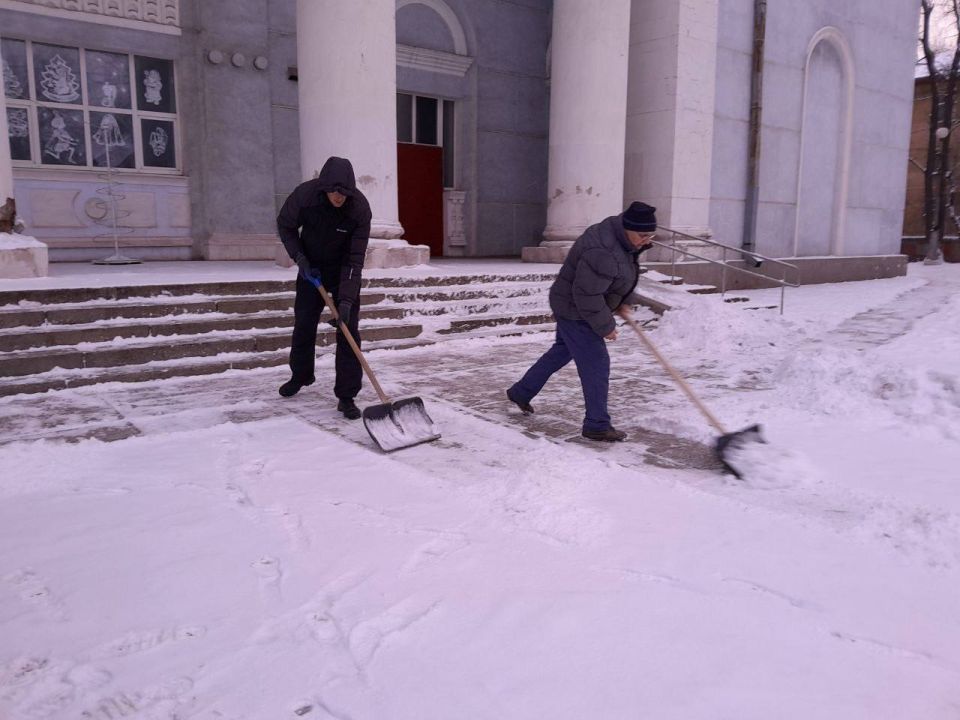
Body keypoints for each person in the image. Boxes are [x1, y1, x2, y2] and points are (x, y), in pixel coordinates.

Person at [506, 201, 658, 441]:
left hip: (575, 302)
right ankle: (597, 424)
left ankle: (521, 392)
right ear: (628, 227)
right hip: (576, 308)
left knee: (561, 352)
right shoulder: (604, 250)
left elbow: (620, 275)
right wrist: (606, 326)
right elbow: (587, 294)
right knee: (596, 364)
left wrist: (622, 300)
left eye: (651, 234)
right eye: (643, 235)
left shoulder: (623, 239)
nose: (647, 240)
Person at [276, 156, 372, 419]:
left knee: (348, 328)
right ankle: (301, 376)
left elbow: (355, 258)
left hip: (343, 272)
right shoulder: (304, 196)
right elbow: (285, 225)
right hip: (311, 268)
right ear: (324, 187)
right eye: (334, 191)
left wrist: (347, 300)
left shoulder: (359, 209)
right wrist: (300, 258)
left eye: (344, 193)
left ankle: (347, 395)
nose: (339, 197)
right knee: (304, 323)